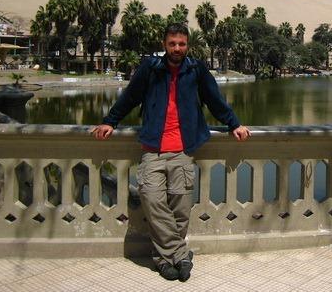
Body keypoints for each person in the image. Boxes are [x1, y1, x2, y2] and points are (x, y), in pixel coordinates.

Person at [92, 23, 250, 282]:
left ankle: (164, 259)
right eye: (172, 44)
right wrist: (110, 120)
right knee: (153, 202)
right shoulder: (150, 68)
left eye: (182, 44)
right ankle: (179, 254)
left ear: (188, 45)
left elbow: (215, 100)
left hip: (183, 150)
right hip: (152, 148)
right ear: (164, 44)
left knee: (180, 208)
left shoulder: (196, 69)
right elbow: (130, 97)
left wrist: (234, 123)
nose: (177, 49)